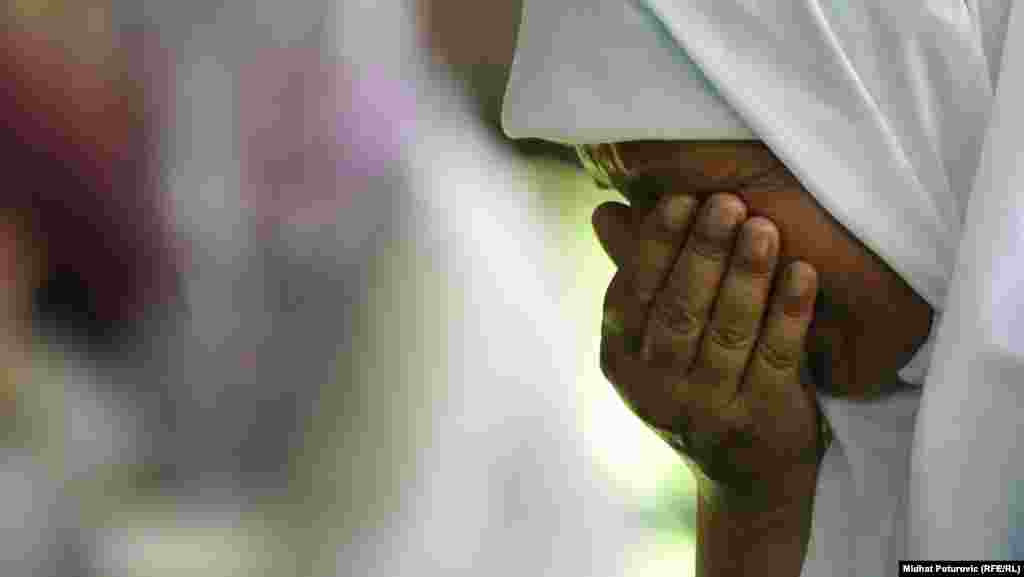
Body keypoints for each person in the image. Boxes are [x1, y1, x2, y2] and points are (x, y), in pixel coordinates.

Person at [501, 0, 1020, 574]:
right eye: (635, 205)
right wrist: (753, 496)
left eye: (702, 204)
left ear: (895, 145)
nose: (670, 271)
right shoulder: (864, 435)